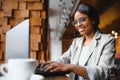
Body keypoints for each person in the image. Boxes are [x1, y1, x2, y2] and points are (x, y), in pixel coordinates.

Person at [37, 3, 116, 80]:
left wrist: (71, 67)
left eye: (82, 19)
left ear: (93, 20)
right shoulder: (76, 42)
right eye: (75, 22)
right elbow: (64, 59)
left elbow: (104, 73)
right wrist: (50, 64)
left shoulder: (107, 41)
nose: (78, 25)